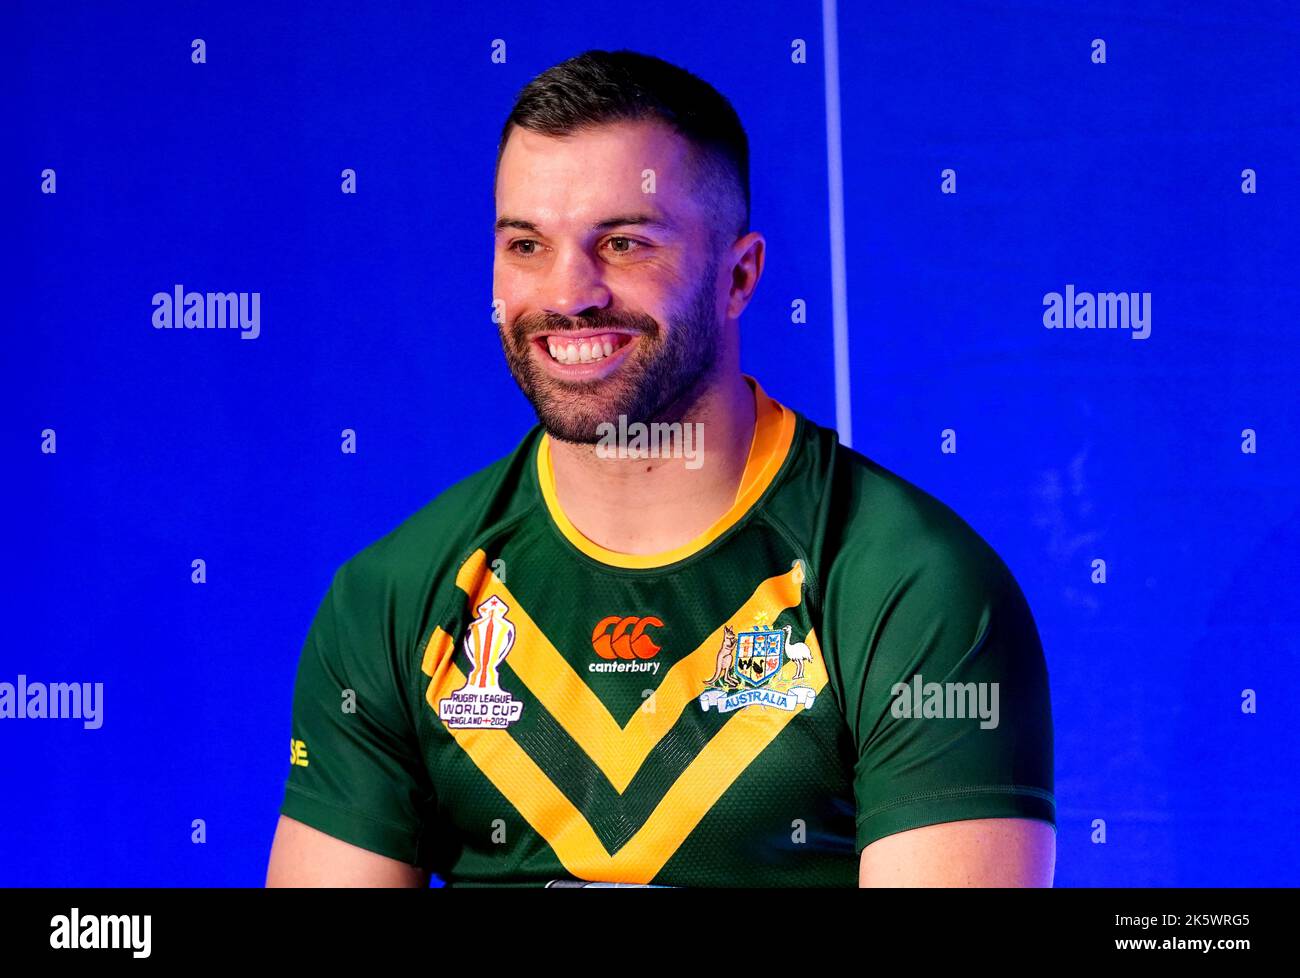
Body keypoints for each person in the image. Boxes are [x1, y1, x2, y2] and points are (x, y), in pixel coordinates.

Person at [266, 49, 1055, 887]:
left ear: (740, 276)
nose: (569, 293)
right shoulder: (393, 598)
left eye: (625, 242)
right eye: (527, 244)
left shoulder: (907, 585)